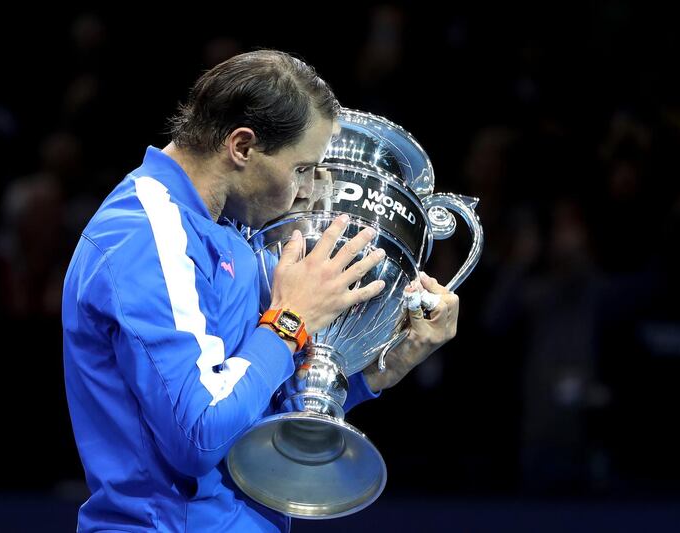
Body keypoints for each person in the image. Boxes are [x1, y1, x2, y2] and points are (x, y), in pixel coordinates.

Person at [62, 49, 459, 532]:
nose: (309, 190)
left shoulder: (228, 226)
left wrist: (383, 368)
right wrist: (290, 318)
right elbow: (200, 436)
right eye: (301, 170)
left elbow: (253, 413)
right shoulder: (147, 237)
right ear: (243, 147)